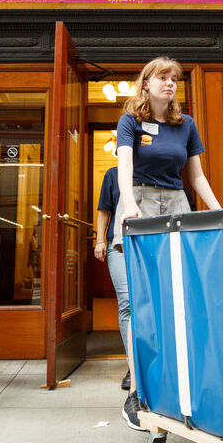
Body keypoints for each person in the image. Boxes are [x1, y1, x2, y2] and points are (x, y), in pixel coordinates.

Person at [114, 57, 221, 430]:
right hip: (139, 204)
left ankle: (180, 383)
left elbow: (196, 176)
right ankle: (137, 391)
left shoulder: (185, 125)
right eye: (162, 77)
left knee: (179, 297)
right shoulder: (129, 121)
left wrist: (219, 212)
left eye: (175, 78)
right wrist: (129, 204)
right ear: (146, 83)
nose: (171, 83)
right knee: (134, 301)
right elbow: (123, 166)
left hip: (176, 204)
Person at [93, 165, 130, 391]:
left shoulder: (154, 169)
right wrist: (99, 240)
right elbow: (104, 211)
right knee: (127, 303)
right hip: (118, 245)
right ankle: (132, 365)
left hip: (149, 244)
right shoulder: (113, 174)